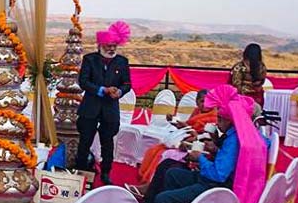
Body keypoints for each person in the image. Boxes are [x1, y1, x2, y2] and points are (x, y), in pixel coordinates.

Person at [150, 85, 269, 203]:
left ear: (229, 120)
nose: (217, 122)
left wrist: (200, 158)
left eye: (219, 119)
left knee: (163, 200)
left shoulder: (233, 140)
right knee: (172, 174)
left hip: (216, 187)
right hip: (216, 181)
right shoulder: (241, 134)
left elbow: (218, 174)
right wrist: (216, 149)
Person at [75, 21, 132, 185]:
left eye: (114, 46)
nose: (112, 49)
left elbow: (127, 84)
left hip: (110, 109)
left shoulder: (122, 61)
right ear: (100, 45)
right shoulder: (89, 59)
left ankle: (106, 173)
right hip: (90, 108)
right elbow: (83, 82)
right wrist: (102, 90)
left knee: (108, 143)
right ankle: (81, 173)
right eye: (108, 46)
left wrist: (119, 92)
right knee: (85, 141)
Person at [136, 89, 217, 185]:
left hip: (198, 147)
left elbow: (206, 137)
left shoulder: (214, 116)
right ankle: (147, 178)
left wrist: (189, 131)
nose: (205, 104)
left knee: (164, 154)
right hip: (187, 140)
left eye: (208, 101)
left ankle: (150, 184)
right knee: (155, 149)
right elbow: (189, 127)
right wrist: (175, 123)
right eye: (202, 101)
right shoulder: (197, 112)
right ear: (197, 102)